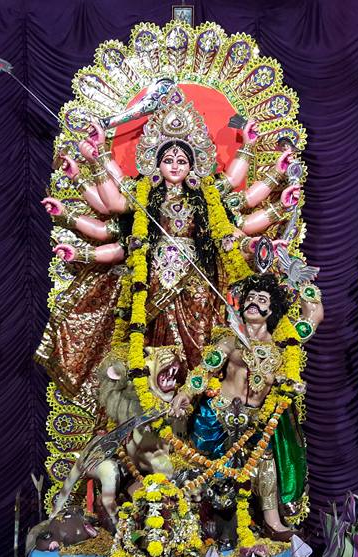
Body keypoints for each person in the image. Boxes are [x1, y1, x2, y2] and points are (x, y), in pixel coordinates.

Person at [36, 87, 301, 402]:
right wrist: (95, 162)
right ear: (156, 163)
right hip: (151, 280)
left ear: (193, 165)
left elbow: (239, 205)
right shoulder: (144, 195)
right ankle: (149, 404)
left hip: (198, 283)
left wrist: (263, 170)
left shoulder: (207, 195)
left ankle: (200, 403)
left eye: (182, 161)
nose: (175, 166)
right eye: (168, 160)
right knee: (149, 345)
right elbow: (113, 205)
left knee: (201, 342)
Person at [170, 272, 321, 542]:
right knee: (207, 469)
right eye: (250, 298)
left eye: (262, 300)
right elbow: (205, 370)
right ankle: (196, 524)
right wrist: (186, 393)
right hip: (219, 414)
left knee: (266, 465)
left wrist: (302, 283)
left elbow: (314, 315)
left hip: (257, 419)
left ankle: (272, 523)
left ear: (271, 310)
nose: (253, 303)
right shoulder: (230, 340)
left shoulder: (283, 343)